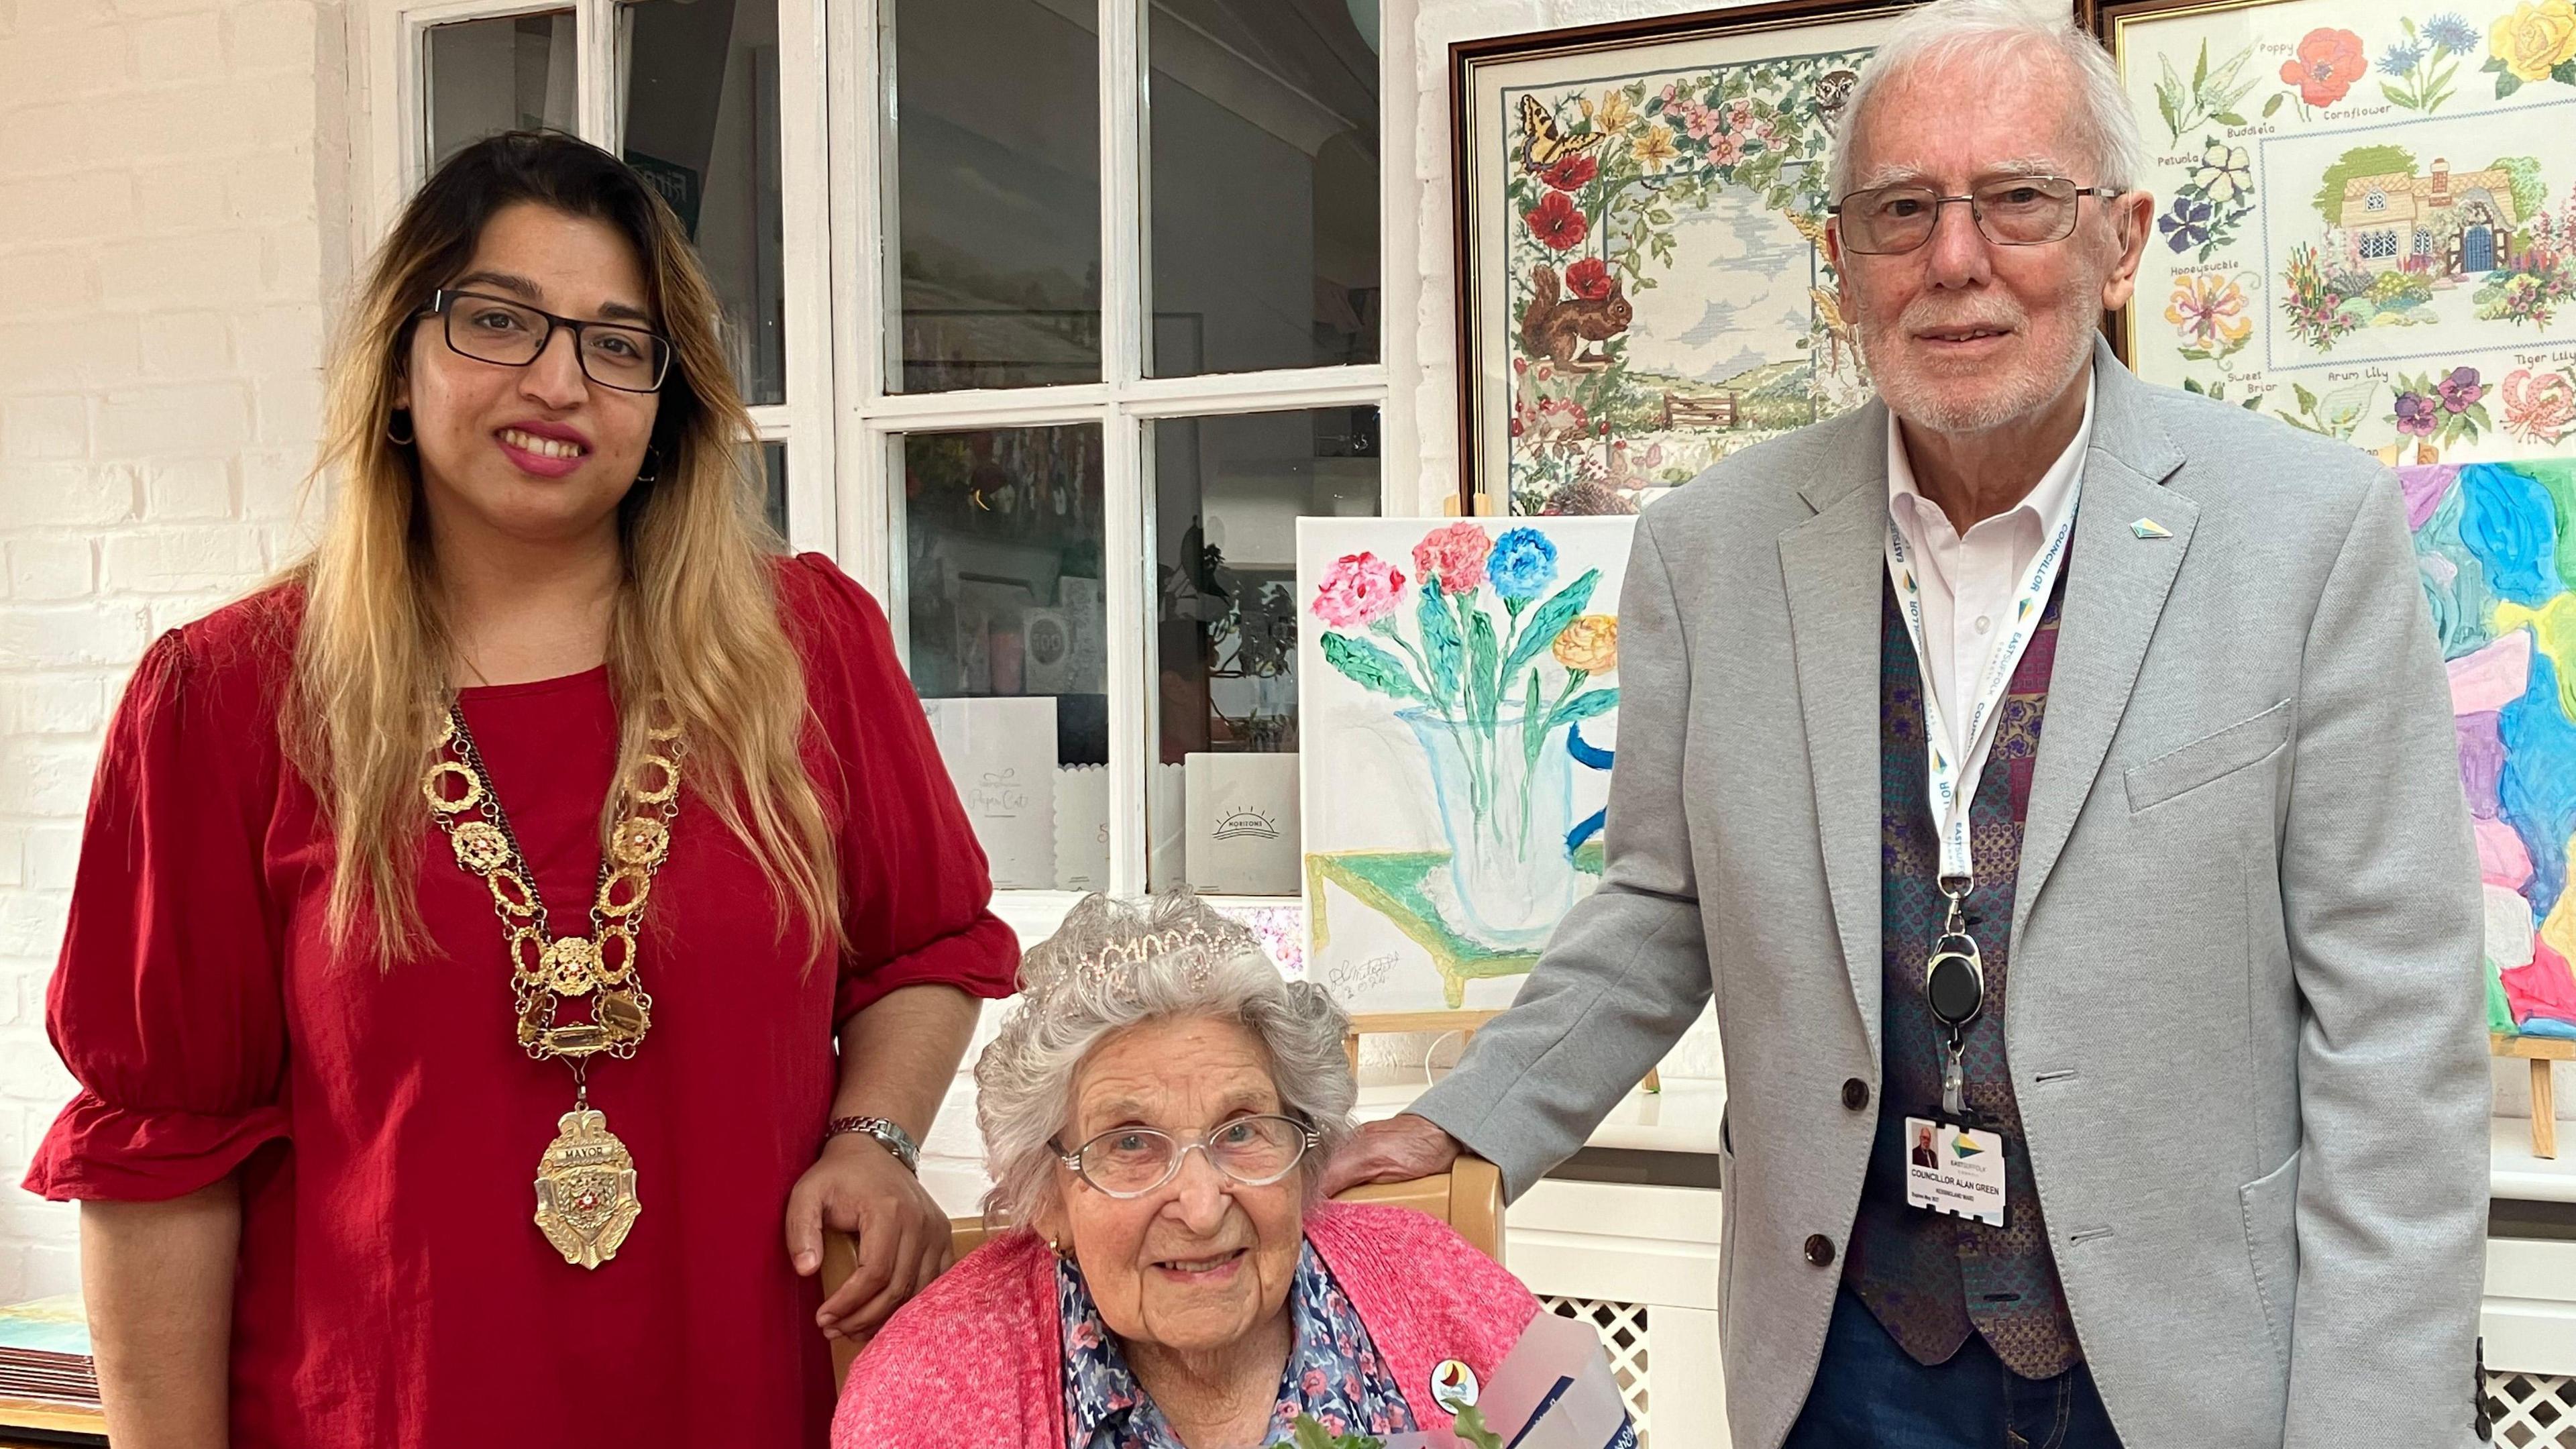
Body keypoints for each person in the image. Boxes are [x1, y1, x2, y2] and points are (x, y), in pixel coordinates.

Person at [1324, 3, 2490, 1446]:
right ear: (1843, 260)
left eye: (2017, 202)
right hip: (1848, 1356)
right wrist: (1465, 1121)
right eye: (1902, 211)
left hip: (2193, 1365)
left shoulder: (2307, 534)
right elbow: (1655, 910)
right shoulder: (1709, 548)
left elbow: (2400, 1029)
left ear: (2119, 239)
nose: (1955, 259)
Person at [22, 131, 1020, 1448]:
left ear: (668, 402)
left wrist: (877, 1139)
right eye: (498, 322)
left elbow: (925, 949)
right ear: (398, 362)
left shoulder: (807, 647)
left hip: (745, 1401)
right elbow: (158, 1165)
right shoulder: (224, 701)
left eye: (618, 344)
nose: (560, 381)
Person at [835, 894, 1553, 1448]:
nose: (1204, 1207)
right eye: (1129, 1145)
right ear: (1047, 1197)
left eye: (1241, 1131)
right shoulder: (928, 1393)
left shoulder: (1444, 1285)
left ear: (1305, 1153)